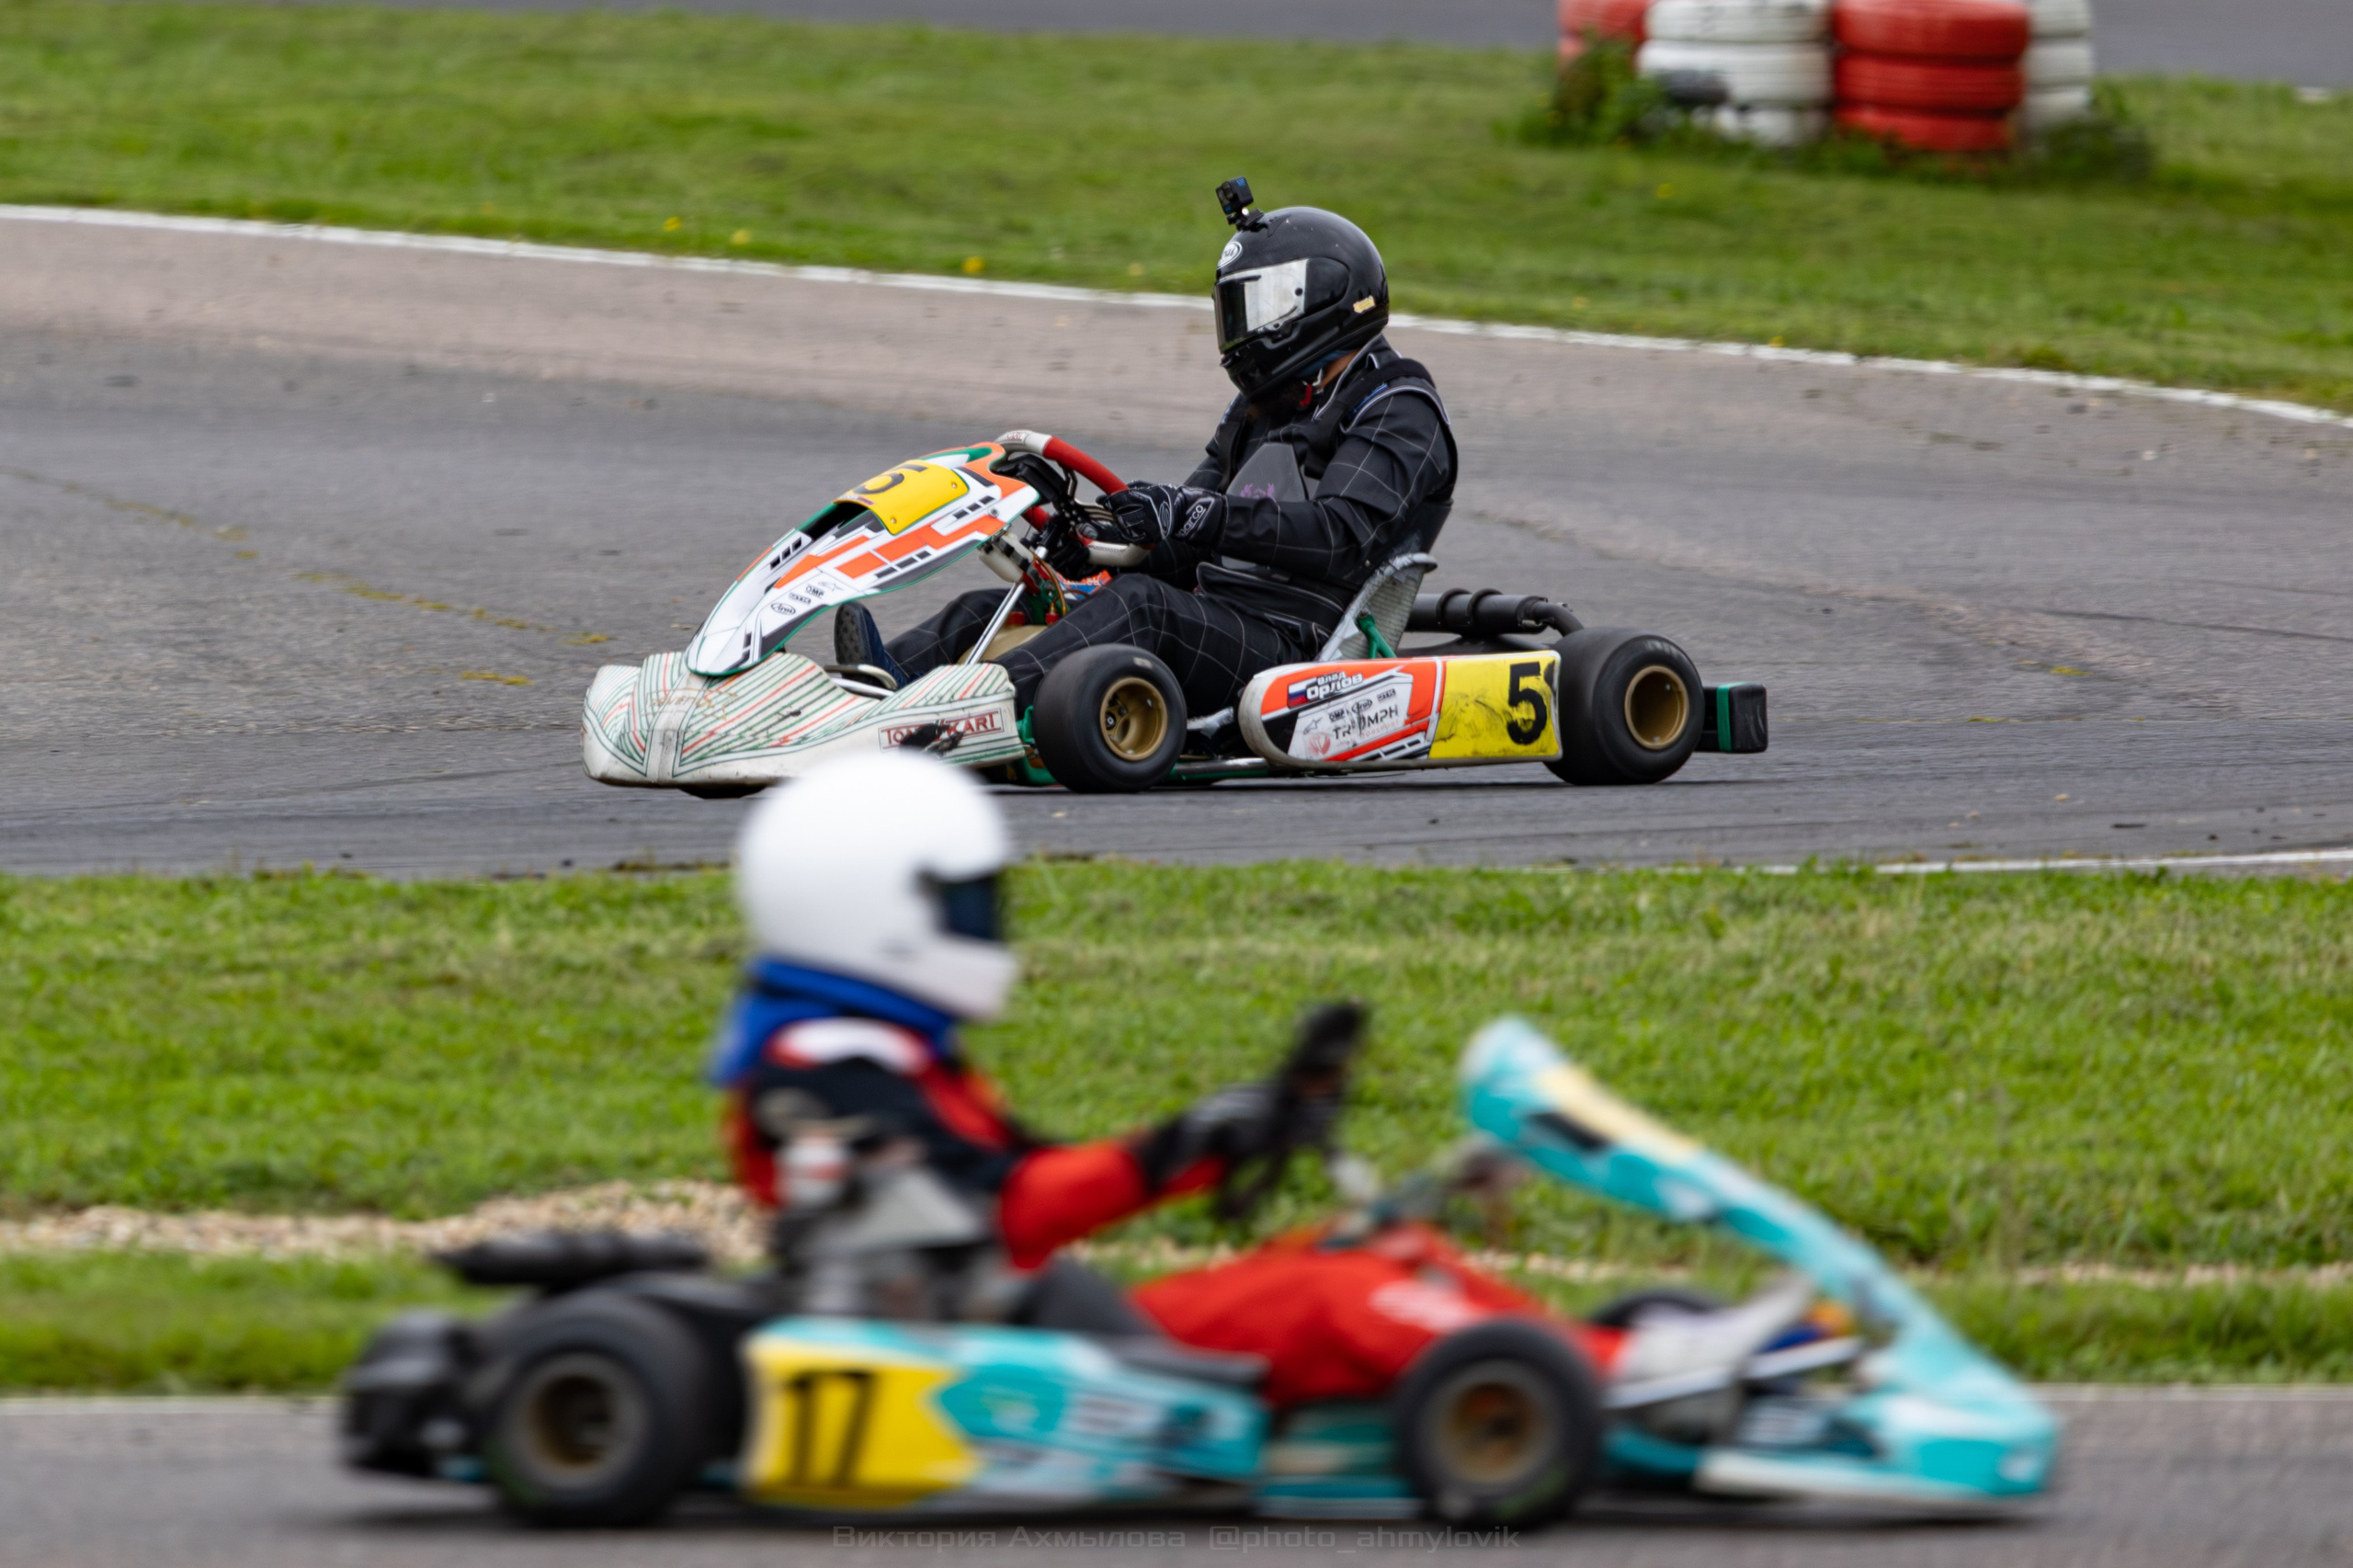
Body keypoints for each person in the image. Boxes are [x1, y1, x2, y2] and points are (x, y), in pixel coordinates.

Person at [710, 750, 1813, 1408]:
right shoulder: (820, 1074)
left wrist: (1231, 1135)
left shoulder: (879, 1054)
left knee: (1377, 1254)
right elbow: (1000, 1214)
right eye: (964, 907)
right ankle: (1636, 1380)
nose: (983, 931)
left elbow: (1024, 1182)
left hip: (1013, 1332)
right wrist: (1184, 1142)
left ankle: (1624, 1360)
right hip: (968, 1369)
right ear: (873, 906)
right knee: (1331, 1293)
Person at [832, 178, 1457, 727]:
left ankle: (950, 713)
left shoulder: (1396, 406)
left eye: (1260, 306)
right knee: (998, 606)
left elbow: (1338, 534)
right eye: (1236, 308)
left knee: (1143, 608)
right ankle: (864, 695)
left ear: (1321, 299)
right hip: (1221, 613)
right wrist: (1088, 543)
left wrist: (1192, 515)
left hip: (1304, 650)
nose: (1244, 329)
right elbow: (1183, 534)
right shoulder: (1265, 407)